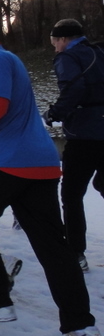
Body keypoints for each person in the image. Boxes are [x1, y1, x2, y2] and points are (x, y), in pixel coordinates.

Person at [0, 9, 103, 336]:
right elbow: (4, 112)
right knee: (53, 247)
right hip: (39, 162)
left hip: (6, 161)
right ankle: (82, 329)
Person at [43, 18, 104, 273]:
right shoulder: (99, 52)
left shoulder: (68, 57)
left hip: (84, 136)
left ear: (63, 39)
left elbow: (73, 88)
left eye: (54, 42)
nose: (55, 47)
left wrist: (55, 113)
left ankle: (76, 252)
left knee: (71, 195)